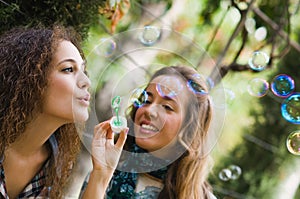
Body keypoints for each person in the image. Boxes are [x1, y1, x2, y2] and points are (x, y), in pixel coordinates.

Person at [0, 25, 128, 199]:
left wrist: (101, 173)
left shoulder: (55, 165)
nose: (86, 82)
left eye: (84, 71)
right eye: (68, 69)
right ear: (31, 79)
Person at [80, 66, 217, 199]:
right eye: (147, 100)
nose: (149, 110)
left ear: (190, 128)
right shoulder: (107, 170)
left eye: (167, 107)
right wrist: (100, 176)